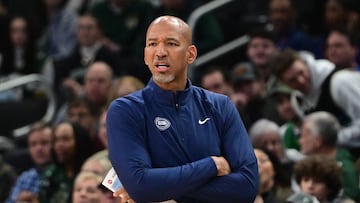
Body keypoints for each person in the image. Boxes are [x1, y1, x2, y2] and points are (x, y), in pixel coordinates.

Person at [106, 15, 258, 203]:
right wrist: (212, 165)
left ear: (191, 54)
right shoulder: (125, 110)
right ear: (145, 55)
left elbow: (247, 188)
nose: (160, 52)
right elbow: (141, 185)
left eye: (171, 43)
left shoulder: (220, 106)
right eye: (152, 44)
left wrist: (162, 190)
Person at [6, 122, 53, 203]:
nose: (38, 149)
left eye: (44, 143)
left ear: (54, 144)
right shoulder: (24, 178)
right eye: (33, 144)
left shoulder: (64, 175)